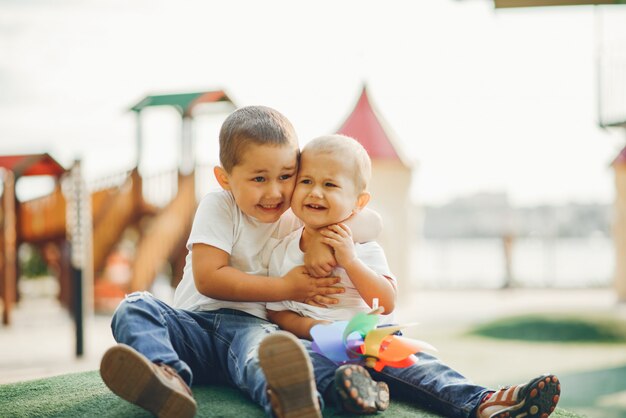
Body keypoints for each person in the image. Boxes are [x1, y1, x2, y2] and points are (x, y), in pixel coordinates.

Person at [99, 106, 383, 418]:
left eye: (286, 176)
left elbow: (372, 222)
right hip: (194, 328)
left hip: (251, 330)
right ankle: (167, 377)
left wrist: (319, 238)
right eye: (259, 178)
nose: (274, 192)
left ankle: (291, 399)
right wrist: (285, 287)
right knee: (135, 306)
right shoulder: (219, 206)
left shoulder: (296, 214)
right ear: (225, 178)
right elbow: (210, 279)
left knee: (269, 355)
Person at [258, 134, 561, 418]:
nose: (315, 192)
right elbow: (275, 310)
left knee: (423, 370)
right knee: (310, 369)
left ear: (358, 202)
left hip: (369, 340)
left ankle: (483, 402)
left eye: (330, 185)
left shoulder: (364, 247)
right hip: (313, 343)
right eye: (306, 181)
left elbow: (386, 301)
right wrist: (313, 327)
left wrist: (350, 262)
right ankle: (358, 392)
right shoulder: (283, 249)